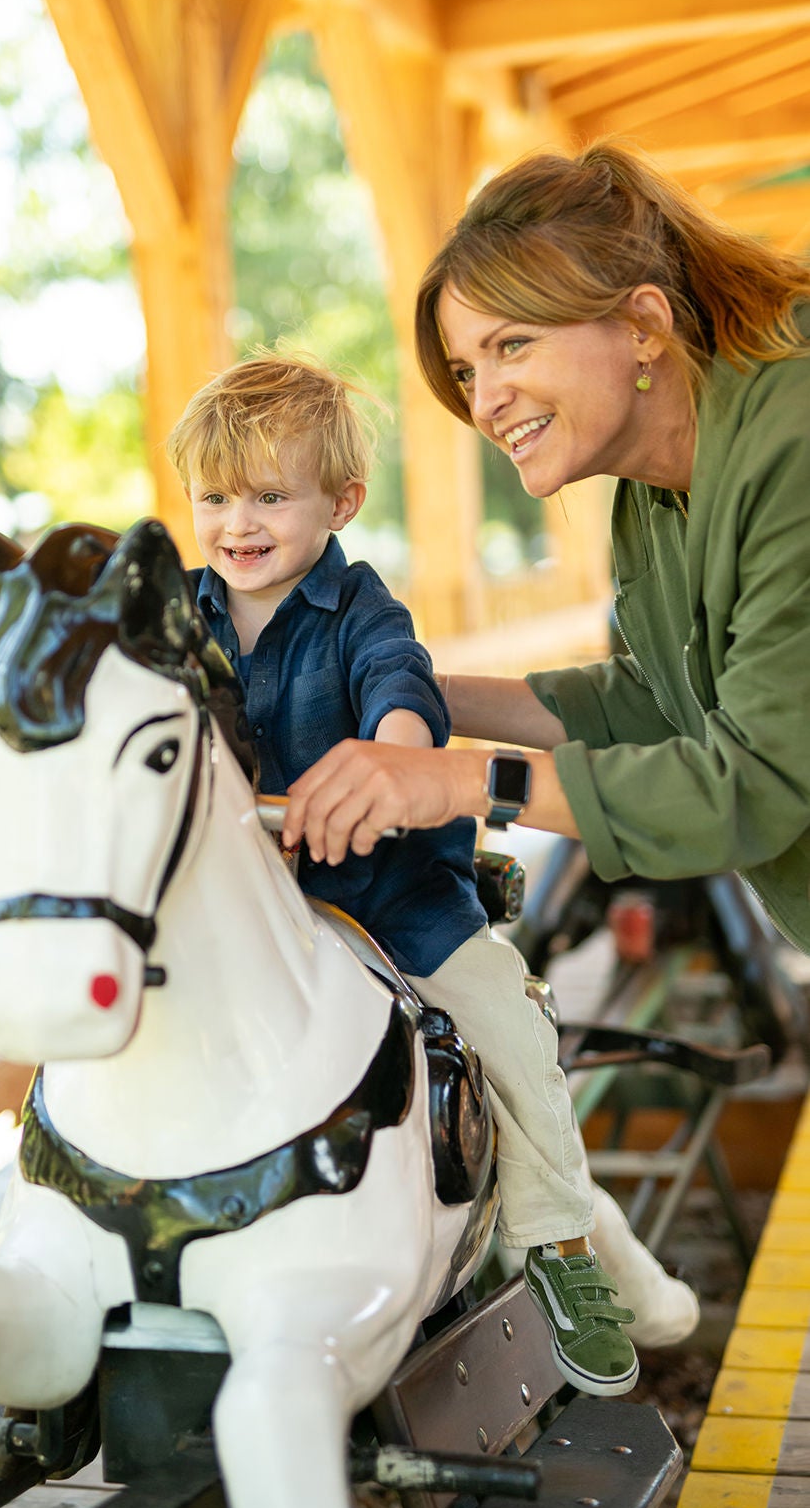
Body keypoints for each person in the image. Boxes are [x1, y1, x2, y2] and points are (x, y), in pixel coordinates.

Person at [167, 351, 643, 1398]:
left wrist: (395, 752)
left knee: (506, 1019)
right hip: (251, 897)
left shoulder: (360, 612)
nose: (238, 522)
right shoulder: (180, 617)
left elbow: (404, 692)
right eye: (214, 496)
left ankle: (559, 1244)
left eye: (269, 496)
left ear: (340, 502)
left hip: (387, 892)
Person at [280, 141, 810, 967]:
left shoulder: (793, 439)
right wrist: (415, 691)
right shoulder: (651, 495)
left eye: (512, 345)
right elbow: (659, 699)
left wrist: (455, 783)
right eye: (464, 369)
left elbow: (750, 786)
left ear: (641, 325)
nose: (483, 402)